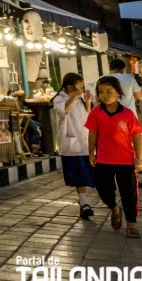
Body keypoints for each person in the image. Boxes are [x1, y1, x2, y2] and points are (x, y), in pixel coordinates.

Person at [86, 76, 142, 238]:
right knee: (103, 189)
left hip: (126, 161)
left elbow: (137, 136)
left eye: (109, 91)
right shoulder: (96, 112)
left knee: (129, 193)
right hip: (103, 159)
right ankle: (114, 208)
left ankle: (131, 225)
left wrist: (139, 159)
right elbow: (92, 133)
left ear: (119, 93)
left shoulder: (127, 113)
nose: (104, 95)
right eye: (101, 92)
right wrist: (91, 153)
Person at [52, 73, 95, 219]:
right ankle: (83, 203)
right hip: (72, 144)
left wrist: (88, 102)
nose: (82, 88)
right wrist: (74, 96)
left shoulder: (80, 98)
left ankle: (84, 202)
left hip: (85, 141)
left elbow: (87, 117)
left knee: (88, 173)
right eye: (79, 86)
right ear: (69, 86)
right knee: (79, 175)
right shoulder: (59, 99)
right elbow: (63, 111)